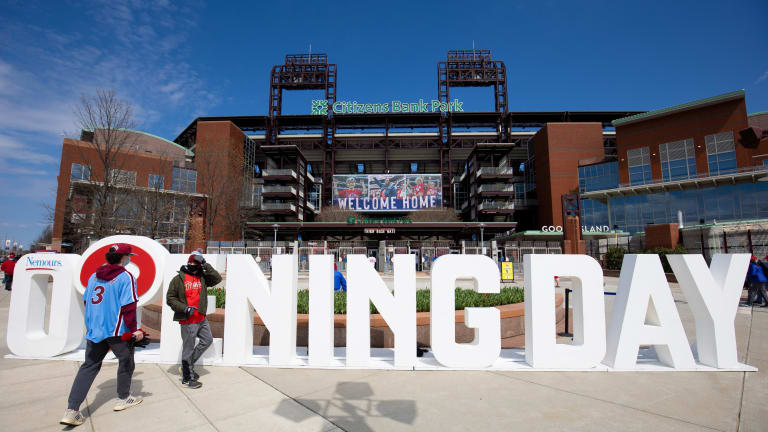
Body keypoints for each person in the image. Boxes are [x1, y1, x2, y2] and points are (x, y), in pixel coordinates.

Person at [60, 244, 144, 426]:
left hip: (95, 329)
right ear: (123, 258)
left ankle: (72, 410)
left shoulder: (94, 276)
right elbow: (129, 306)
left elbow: (86, 301)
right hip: (117, 331)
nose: (129, 259)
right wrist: (134, 330)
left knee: (89, 366)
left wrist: (92, 324)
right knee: (126, 362)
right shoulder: (126, 277)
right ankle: (123, 398)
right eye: (128, 256)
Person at [166, 252, 222, 388]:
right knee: (188, 349)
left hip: (201, 317)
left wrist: (205, 264)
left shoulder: (202, 277)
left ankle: (187, 367)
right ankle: (187, 378)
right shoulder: (178, 279)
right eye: (190, 263)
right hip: (188, 320)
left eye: (195, 263)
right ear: (187, 263)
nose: (192, 265)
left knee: (207, 340)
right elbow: (170, 298)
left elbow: (217, 278)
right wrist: (184, 308)